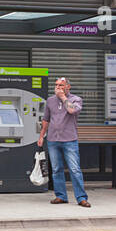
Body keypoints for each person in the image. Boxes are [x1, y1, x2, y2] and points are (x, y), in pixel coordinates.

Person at [38, 76, 89, 208]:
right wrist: (41, 136)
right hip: (53, 140)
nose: (58, 88)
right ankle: (60, 196)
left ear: (68, 87)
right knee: (56, 169)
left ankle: (81, 198)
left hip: (69, 140)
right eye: (56, 85)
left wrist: (63, 97)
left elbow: (72, 110)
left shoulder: (76, 99)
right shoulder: (50, 100)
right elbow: (46, 119)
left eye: (61, 85)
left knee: (75, 169)